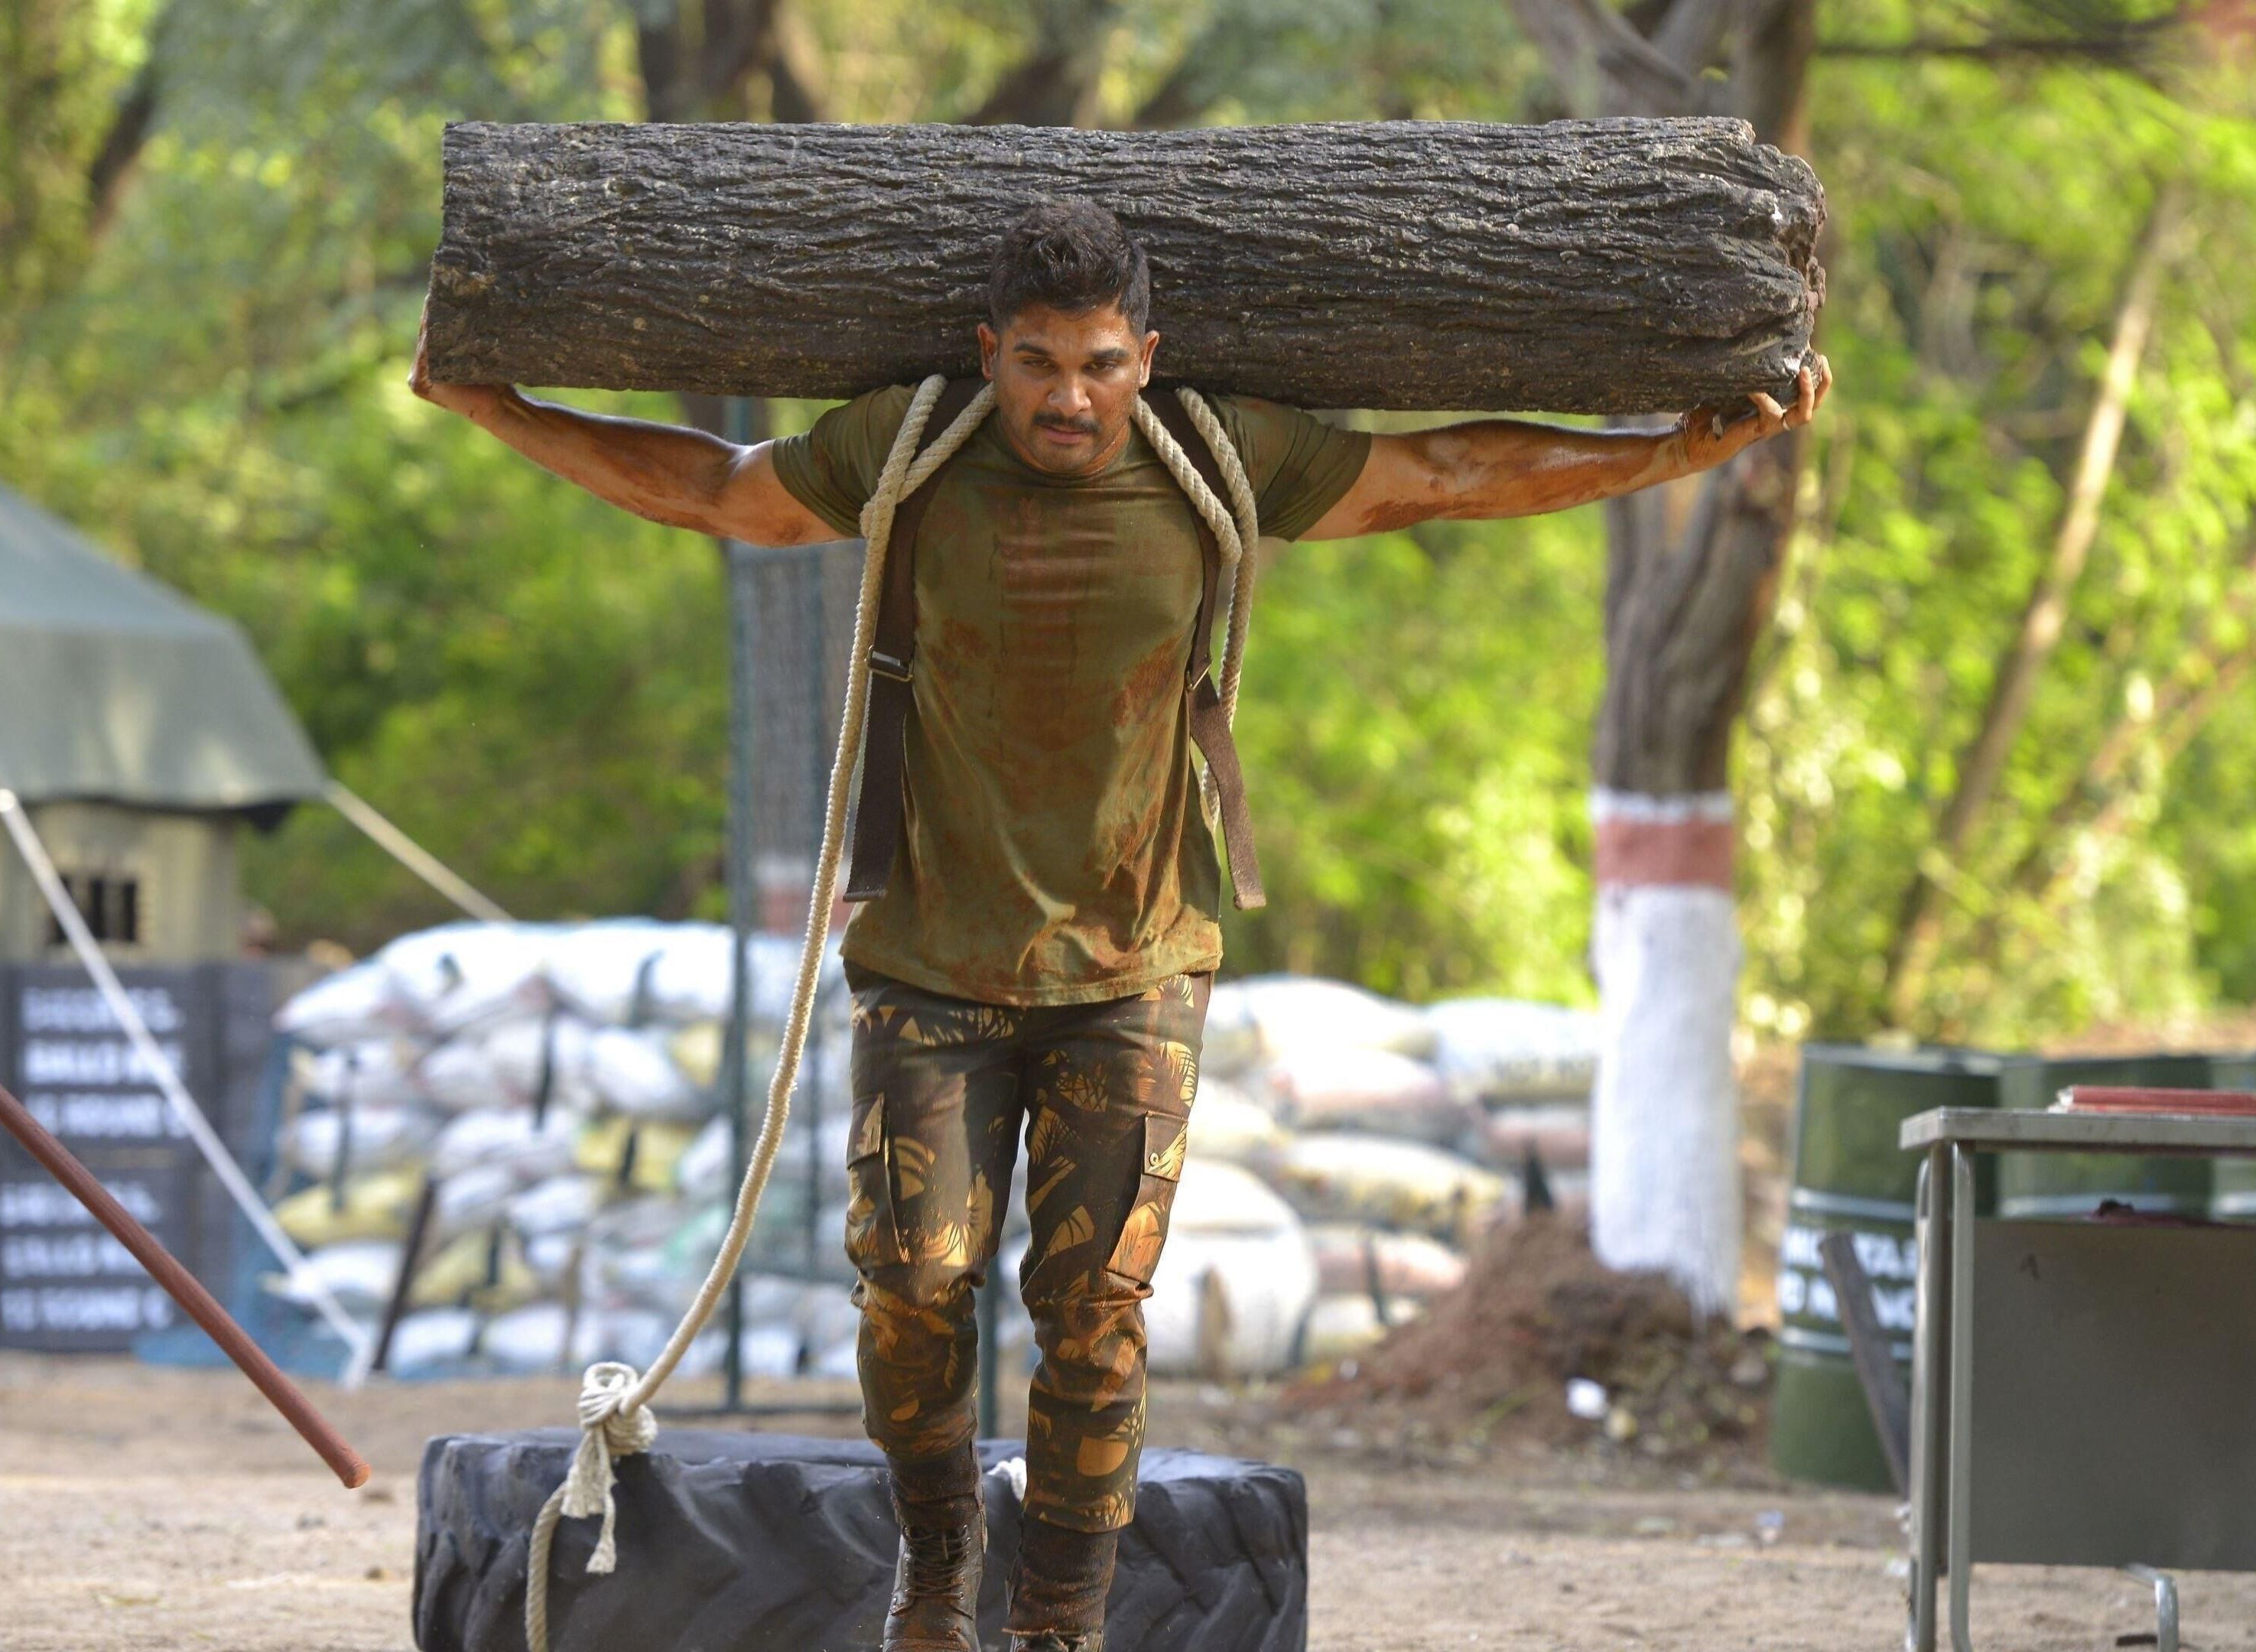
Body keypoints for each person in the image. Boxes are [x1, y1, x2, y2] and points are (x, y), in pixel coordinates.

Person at [412, 195, 1825, 1652]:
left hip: (1137, 968)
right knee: (911, 1285)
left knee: (1095, 1309)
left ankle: (1063, 1623)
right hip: (929, 964)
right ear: (989, 354)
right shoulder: (915, 444)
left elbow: (1450, 469)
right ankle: (940, 1568)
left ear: (1145, 355)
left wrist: (1679, 446)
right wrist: (494, 405)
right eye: (1036, 362)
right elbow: (718, 489)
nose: (1067, 397)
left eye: (1097, 362)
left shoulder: (1216, 449)